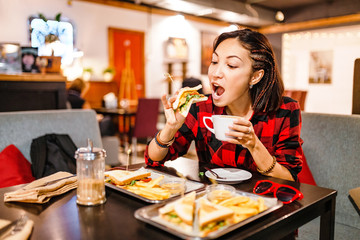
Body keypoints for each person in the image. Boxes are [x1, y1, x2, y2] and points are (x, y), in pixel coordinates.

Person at [145, 29, 303, 181]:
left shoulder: (285, 110)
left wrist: (254, 146)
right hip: (214, 200)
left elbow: (289, 178)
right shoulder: (200, 108)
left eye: (231, 65)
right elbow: (154, 160)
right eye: (214, 61)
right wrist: (170, 128)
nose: (215, 73)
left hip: (262, 202)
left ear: (255, 76)